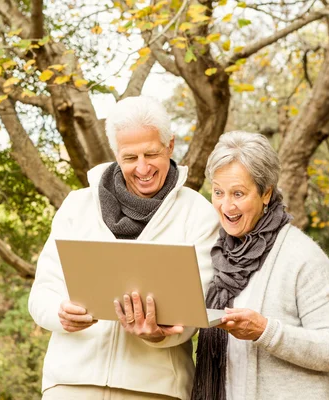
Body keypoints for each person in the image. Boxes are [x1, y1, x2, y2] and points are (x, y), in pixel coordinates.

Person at [28, 96, 220, 400]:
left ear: (170, 146)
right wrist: (60, 314)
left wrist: (159, 334)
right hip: (70, 384)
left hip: (154, 389)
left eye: (151, 153)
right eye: (130, 157)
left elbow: (197, 310)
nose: (142, 168)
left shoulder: (198, 214)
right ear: (116, 154)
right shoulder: (77, 206)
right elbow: (42, 294)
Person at [191, 131, 329, 400]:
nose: (226, 205)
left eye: (238, 193)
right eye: (218, 192)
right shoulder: (217, 254)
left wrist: (266, 331)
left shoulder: (303, 258)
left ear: (266, 193)